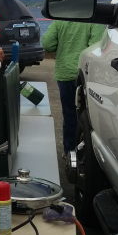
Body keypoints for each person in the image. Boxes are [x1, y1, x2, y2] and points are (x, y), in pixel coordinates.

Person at [41, 19, 105, 155]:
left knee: (69, 114)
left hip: (64, 73)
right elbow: (96, 47)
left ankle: (69, 152)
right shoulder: (94, 21)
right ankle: (86, 152)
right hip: (85, 75)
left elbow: (47, 43)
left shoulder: (61, 20)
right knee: (88, 117)